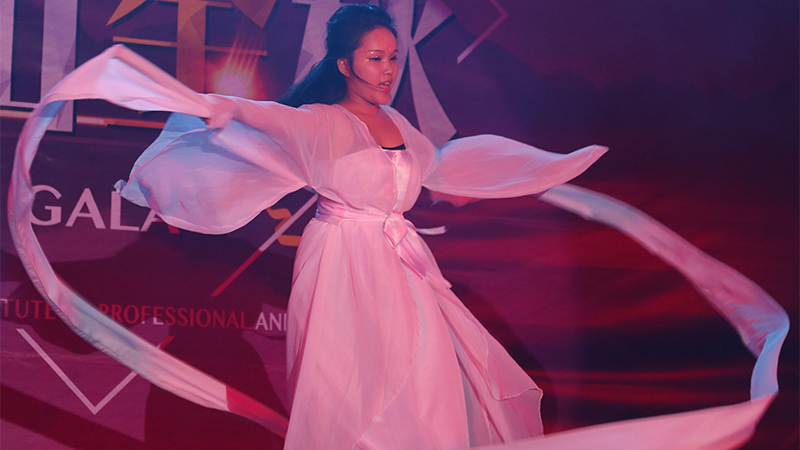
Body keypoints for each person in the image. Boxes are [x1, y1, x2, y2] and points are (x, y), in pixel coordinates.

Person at [170, 4, 604, 449]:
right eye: (375, 58)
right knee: (348, 385)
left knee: (428, 375)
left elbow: (437, 163)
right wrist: (224, 106)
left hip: (401, 261)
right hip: (341, 262)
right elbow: (270, 117)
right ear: (345, 65)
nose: (388, 70)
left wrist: (537, 169)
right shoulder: (323, 120)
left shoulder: (395, 120)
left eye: (393, 57)